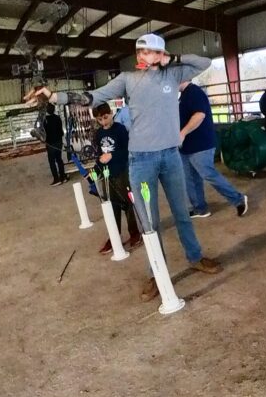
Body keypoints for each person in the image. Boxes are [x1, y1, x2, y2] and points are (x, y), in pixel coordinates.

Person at [26, 33, 223, 302]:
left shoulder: (173, 75)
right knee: (149, 221)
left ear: (160, 53)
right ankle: (156, 273)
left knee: (182, 213)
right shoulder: (128, 80)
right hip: (141, 161)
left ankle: (195, 257)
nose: (142, 56)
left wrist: (172, 58)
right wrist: (53, 96)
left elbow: (205, 62)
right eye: (139, 52)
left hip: (171, 158)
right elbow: (91, 97)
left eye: (149, 51)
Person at [178, 81, 249, 218]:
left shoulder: (194, 92)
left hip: (200, 145)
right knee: (191, 179)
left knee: (208, 175)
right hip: (186, 146)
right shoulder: (184, 95)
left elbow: (199, 115)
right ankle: (200, 208)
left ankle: (238, 199)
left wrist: (182, 133)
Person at [92, 103, 141, 254]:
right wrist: (95, 171)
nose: (103, 122)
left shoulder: (120, 130)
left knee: (127, 203)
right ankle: (114, 236)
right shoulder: (98, 134)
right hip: (107, 175)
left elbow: (127, 151)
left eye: (105, 117)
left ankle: (135, 233)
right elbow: (99, 156)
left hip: (122, 172)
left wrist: (112, 155)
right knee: (112, 206)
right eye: (100, 119)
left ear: (111, 113)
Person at [43, 103, 68, 186]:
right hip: (58, 142)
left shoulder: (44, 120)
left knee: (52, 161)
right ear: (53, 109)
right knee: (59, 159)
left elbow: (42, 133)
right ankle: (63, 177)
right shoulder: (57, 118)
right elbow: (61, 132)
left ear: (46, 110)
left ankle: (56, 179)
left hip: (50, 144)